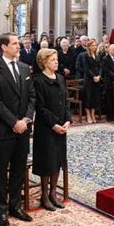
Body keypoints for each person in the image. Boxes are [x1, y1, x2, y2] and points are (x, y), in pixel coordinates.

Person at [0, 33, 36, 226]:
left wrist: (25, 119)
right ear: (4, 47)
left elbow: (32, 96)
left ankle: (15, 205)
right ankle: (0, 210)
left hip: (23, 128)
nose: (19, 46)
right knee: (0, 172)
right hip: (4, 129)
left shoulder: (24, 68)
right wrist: (13, 121)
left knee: (18, 169)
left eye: (19, 43)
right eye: (15, 43)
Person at [32, 48, 71, 211]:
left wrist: (67, 120)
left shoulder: (61, 78)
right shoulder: (38, 80)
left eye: (56, 59)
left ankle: (54, 193)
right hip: (46, 128)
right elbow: (39, 107)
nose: (56, 62)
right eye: (53, 60)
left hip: (61, 126)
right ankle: (45, 195)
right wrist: (54, 124)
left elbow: (66, 100)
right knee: (47, 161)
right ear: (44, 62)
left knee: (58, 160)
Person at [83, 39, 102, 123]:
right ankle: (88, 115)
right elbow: (86, 69)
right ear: (89, 47)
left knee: (95, 97)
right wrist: (93, 76)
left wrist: (99, 76)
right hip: (89, 79)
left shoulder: (98, 55)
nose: (94, 47)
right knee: (88, 97)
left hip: (97, 79)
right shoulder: (85, 55)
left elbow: (101, 67)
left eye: (95, 45)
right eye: (92, 45)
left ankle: (93, 114)